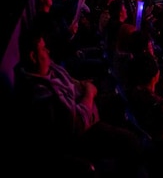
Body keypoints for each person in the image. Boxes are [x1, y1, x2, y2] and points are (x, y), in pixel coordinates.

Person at [9, 25, 144, 177]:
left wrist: (86, 88)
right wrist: (89, 93)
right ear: (33, 56)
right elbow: (78, 124)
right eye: (44, 48)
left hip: (87, 106)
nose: (48, 51)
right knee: (131, 141)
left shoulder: (49, 69)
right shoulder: (40, 94)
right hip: (82, 133)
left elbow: (74, 83)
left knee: (121, 102)